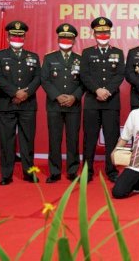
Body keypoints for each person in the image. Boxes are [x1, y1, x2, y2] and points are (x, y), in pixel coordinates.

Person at [0, 20, 41, 185]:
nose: (17, 38)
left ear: (25, 37)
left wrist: (25, 93)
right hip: (7, 103)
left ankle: (29, 173)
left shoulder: (33, 57)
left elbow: (38, 78)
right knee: (7, 141)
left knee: (28, 140)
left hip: (27, 104)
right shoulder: (0, 56)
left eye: (20, 36)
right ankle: (6, 175)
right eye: (14, 35)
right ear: (8, 37)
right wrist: (15, 92)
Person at [80, 17, 125, 182]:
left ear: (110, 33)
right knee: (90, 138)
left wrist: (108, 90)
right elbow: (84, 74)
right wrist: (97, 89)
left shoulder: (118, 52)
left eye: (106, 32)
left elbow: (120, 74)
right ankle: (87, 171)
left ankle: (112, 171)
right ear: (94, 33)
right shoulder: (87, 53)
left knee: (112, 137)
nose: (103, 34)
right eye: (99, 32)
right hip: (92, 101)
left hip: (111, 101)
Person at [41, 23, 83, 183]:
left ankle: (72, 171)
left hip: (74, 105)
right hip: (54, 105)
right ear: (58, 38)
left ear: (74, 40)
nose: (66, 40)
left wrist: (74, 97)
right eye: (63, 37)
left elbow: (83, 82)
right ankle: (55, 171)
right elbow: (44, 80)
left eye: (69, 38)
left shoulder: (80, 59)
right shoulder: (49, 58)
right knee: (54, 138)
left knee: (73, 139)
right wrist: (57, 96)